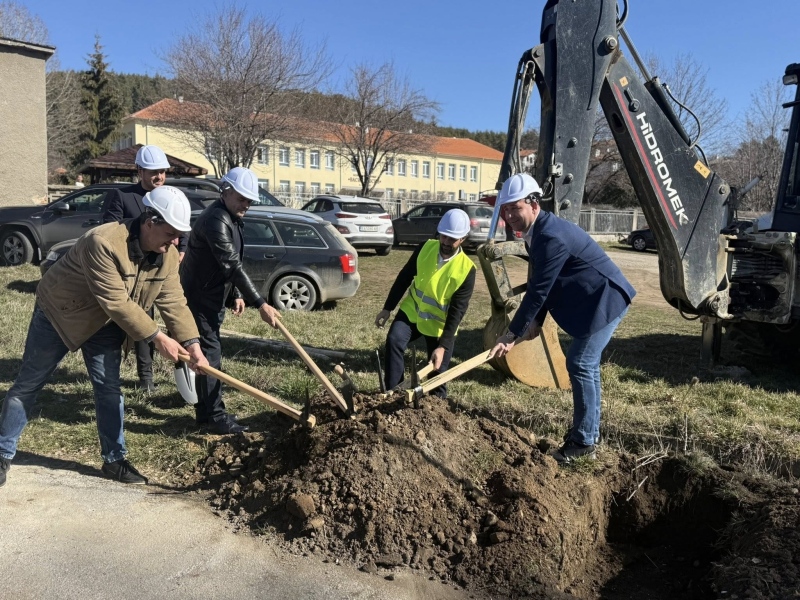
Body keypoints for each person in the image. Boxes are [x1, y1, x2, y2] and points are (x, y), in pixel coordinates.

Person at [0, 186, 208, 487]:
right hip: (60, 313)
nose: (175, 242)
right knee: (29, 383)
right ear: (150, 221)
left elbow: (174, 301)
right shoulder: (103, 242)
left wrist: (193, 345)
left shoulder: (168, 255)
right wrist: (157, 338)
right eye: (171, 233)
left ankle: (114, 460)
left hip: (106, 323)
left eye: (179, 235)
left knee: (109, 390)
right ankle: (3, 451)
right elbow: (117, 301)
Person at [488, 173, 635, 464]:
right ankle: (587, 435)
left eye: (514, 208)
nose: (509, 215)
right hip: (591, 299)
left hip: (606, 298)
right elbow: (545, 282)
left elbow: (539, 290)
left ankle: (582, 442)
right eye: (504, 209)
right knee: (585, 364)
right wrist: (535, 323)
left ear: (533, 204)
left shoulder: (550, 236)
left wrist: (512, 334)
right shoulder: (538, 232)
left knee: (580, 362)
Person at [180, 166, 280, 435]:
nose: (246, 205)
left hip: (213, 295)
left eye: (249, 200)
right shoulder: (216, 219)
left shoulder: (231, 216)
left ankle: (206, 413)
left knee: (209, 353)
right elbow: (232, 265)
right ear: (226, 191)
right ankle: (214, 416)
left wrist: (235, 294)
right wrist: (261, 303)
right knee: (209, 355)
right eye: (242, 199)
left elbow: (228, 261)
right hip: (199, 298)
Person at [101, 145, 182, 393]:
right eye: (153, 172)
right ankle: (112, 378)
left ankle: (147, 379)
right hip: (128, 273)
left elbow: (182, 228)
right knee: (129, 322)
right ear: (139, 171)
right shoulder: (123, 197)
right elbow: (109, 229)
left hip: (158, 272)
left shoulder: (170, 196)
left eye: (163, 172)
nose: (159, 177)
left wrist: (181, 250)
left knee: (151, 323)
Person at [375, 209, 476, 397]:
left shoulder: (467, 270)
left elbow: (457, 311)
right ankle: (394, 393)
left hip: (439, 326)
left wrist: (443, 346)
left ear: (462, 239)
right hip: (413, 311)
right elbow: (404, 278)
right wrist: (387, 308)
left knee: (437, 374)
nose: (445, 242)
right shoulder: (425, 248)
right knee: (394, 340)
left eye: (451, 239)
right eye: (443, 236)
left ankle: (437, 412)